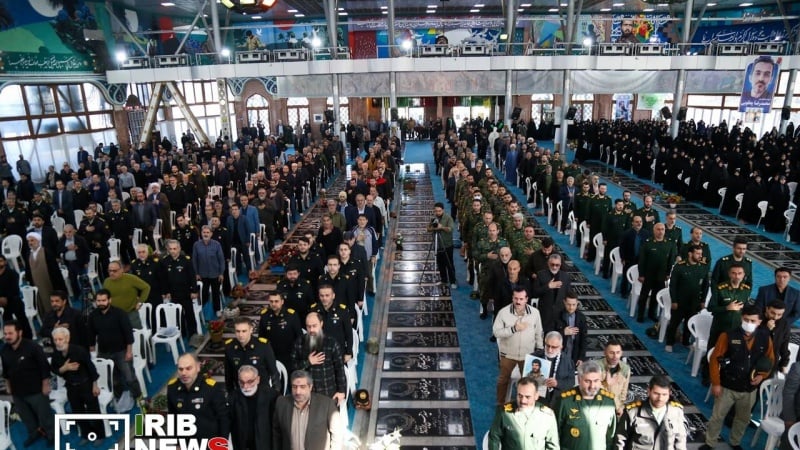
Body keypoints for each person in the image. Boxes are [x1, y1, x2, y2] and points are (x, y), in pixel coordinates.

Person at [703, 304, 774, 450]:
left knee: (743, 419)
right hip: (727, 386)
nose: (749, 323)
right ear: (742, 318)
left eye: (753, 321)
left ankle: (735, 442)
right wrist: (716, 383)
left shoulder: (765, 338)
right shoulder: (727, 336)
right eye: (746, 319)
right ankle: (710, 443)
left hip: (749, 389)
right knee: (717, 417)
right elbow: (715, 360)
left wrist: (762, 376)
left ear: (760, 322)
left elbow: (770, 359)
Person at [0, 320, 54, 446]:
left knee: (45, 416)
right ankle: (35, 433)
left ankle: (52, 434)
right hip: (17, 392)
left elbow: (44, 367)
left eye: (10, 333)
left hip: (36, 390)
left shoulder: (33, 347)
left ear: (20, 332)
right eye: (5, 333)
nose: (7, 336)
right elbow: (6, 371)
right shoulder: (4, 350)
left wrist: (45, 385)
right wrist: (8, 387)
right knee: (26, 417)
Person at [50, 327, 105, 447]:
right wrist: (64, 368)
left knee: (94, 411)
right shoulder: (56, 355)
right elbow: (54, 370)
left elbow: (91, 369)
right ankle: (86, 434)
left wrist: (95, 385)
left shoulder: (79, 351)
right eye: (55, 340)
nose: (58, 342)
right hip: (71, 387)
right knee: (77, 412)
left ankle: (100, 435)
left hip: (86, 385)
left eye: (60, 339)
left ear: (67, 338)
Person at [86, 289, 141, 404]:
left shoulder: (120, 314)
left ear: (109, 300)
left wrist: (129, 351)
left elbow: (128, 334)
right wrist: (93, 353)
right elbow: (90, 335)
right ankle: (119, 398)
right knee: (112, 379)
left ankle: (139, 398)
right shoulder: (93, 316)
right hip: (104, 352)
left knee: (130, 377)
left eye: (103, 300)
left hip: (121, 351)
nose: (101, 303)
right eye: (98, 301)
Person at [492, 286, 544, 405]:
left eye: (521, 299)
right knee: (503, 380)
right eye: (516, 298)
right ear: (512, 298)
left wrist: (540, 350)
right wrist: (514, 329)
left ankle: (526, 404)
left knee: (529, 382)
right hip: (508, 354)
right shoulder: (503, 313)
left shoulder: (535, 313)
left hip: (527, 355)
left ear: (526, 299)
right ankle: (500, 404)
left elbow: (539, 333)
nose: (518, 301)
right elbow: (496, 333)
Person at [272, 369, 342, 450]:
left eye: (302, 387)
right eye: (294, 387)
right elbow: (276, 434)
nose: (298, 392)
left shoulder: (327, 405)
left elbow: (337, 435)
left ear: (310, 387)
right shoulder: (281, 403)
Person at [556, 360, 617, 450]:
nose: (592, 386)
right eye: (587, 381)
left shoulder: (608, 402)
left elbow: (611, 436)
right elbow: (555, 435)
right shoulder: (565, 401)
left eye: (596, 381)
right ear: (579, 380)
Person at [614, 375, 687, 450]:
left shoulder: (676, 412)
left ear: (669, 394)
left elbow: (680, 442)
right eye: (656, 394)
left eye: (664, 394)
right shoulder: (632, 412)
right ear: (648, 391)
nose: (660, 398)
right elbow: (620, 441)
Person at [167, 353, 230, 440]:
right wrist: (176, 442)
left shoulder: (211, 388)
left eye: (188, 368)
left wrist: (221, 443)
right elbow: (172, 418)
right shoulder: (172, 388)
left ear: (198, 367)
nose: (184, 373)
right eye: (180, 369)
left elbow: (224, 418)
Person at [487, 376, 560, 450]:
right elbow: (494, 437)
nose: (523, 401)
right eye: (520, 396)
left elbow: (553, 446)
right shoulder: (504, 412)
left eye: (527, 397)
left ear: (536, 396)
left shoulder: (547, 416)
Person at [290, 312, 347, 404]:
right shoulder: (299, 343)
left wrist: (341, 391)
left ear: (321, 324)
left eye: (314, 326)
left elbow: (339, 368)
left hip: (328, 392)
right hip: (306, 394)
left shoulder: (331, 343)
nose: (311, 330)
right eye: (308, 327)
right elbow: (293, 369)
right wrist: (308, 362)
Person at [665, 244, 709, 352]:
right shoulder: (680, 266)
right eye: (697, 253)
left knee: (689, 323)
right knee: (674, 323)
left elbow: (705, 285)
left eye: (701, 254)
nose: (700, 256)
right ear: (690, 254)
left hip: (694, 302)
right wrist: (674, 301)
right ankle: (669, 342)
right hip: (680, 301)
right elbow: (673, 285)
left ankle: (685, 341)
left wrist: (703, 301)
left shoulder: (703, 267)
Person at [224, 317, 280, 393]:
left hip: (261, 392)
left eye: (244, 331)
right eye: (238, 331)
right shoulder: (230, 347)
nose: (241, 335)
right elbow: (228, 376)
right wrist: (231, 395)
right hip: (240, 392)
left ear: (251, 330)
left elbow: (274, 373)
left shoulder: (263, 346)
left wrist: (275, 394)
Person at [230, 364, 278, 450]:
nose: (245, 386)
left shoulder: (271, 396)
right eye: (241, 382)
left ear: (258, 379)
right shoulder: (233, 397)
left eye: (250, 382)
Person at [160, 239, 200, 342]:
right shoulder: (164, 261)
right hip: (173, 293)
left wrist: (194, 291)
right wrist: (165, 291)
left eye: (175, 249)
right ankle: (181, 333)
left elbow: (192, 277)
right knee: (177, 315)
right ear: (167, 249)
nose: (173, 251)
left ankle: (193, 334)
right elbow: (163, 279)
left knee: (189, 314)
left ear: (179, 248)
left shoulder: (186, 260)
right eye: (170, 249)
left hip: (186, 292)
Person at [636, 223, 677, 323]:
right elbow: (642, 260)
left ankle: (651, 314)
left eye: (662, 229)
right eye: (658, 229)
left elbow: (671, 260)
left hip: (661, 276)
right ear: (654, 231)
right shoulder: (648, 243)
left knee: (656, 296)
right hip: (648, 275)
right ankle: (640, 315)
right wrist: (641, 274)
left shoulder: (670, 243)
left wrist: (668, 273)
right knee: (644, 296)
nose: (660, 231)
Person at [258, 291, 304, 372]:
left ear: (282, 301)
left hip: (289, 355)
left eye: (276, 301)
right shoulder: (265, 315)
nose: (273, 304)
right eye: (271, 301)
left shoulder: (291, 315)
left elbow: (299, 336)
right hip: (271, 354)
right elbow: (261, 337)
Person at [25, 231, 67, 315]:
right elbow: (28, 269)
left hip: (49, 282)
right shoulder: (28, 254)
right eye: (29, 241)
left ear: (38, 241)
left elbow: (54, 270)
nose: (30, 243)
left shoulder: (46, 252)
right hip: (36, 283)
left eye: (32, 240)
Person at [102, 260, 150, 329]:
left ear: (121, 270)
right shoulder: (106, 281)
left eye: (114, 271)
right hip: (114, 315)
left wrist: (140, 302)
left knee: (138, 333)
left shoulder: (130, 278)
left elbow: (146, 287)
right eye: (109, 271)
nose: (111, 273)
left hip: (130, 313)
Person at [532, 253, 571, 333]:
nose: (554, 267)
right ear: (548, 263)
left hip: (560, 314)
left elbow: (568, 294)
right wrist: (548, 286)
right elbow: (534, 293)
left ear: (560, 264)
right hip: (545, 313)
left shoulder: (565, 276)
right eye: (552, 264)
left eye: (557, 265)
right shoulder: (540, 274)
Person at [193, 225, 226, 316]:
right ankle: (203, 311)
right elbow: (194, 260)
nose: (206, 234)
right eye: (204, 232)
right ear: (201, 233)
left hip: (215, 274)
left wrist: (221, 273)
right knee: (203, 294)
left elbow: (221, 260)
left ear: (211, 234)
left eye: (208, 232)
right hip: (202, 275)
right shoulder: (196, 245)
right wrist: (196, 273)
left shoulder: (217, 244)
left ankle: (217, 310)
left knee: (215, 293)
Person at [0, 255, 32, 338]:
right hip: (2, 303)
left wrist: (6, 298)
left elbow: (14, 289)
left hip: (13, 300)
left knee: (22, 321)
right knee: (8, 323)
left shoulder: (12, 273)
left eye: (1, 261)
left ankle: (28, 337)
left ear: (5, 262)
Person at [596, 340, 631, 416]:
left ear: (621, 353)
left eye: (618, 352)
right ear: (605, 353)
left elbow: (624, 391)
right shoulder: (596, 367)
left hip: (616, 409)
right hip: (598, 407)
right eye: (611, 353)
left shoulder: (625, 369)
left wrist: (621, 407)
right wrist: (607, 384)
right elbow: (594, 389)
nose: (615, 356)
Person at [554, 290, 588, 366]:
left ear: (577, 303)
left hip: (574, 354)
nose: (571, 307)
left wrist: (581, 357)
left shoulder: (581, 318)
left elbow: (584, 339)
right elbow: (550, 334)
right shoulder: (557, 316)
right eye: (568, 304)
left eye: (574, 304)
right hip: (559, 352)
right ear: (564, 302)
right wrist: (563, 332)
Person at [428, 202, 457, 288]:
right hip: (438, 244)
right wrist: (434, 228)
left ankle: (453, 281)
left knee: (449, 263)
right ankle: (444, 280)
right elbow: (428, 229)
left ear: (443, 210)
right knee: (440, 264)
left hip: (447, 244)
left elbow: (450, 229)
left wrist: (441, 227)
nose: (438, 213)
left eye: (439, 211)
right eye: (436, 211)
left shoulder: (448, 218)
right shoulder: (433, 218)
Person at [781, 363, 800, 450]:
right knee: (789, 445)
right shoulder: (798, 368)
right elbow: (788, 394)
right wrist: (789, 420)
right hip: (795, 419)